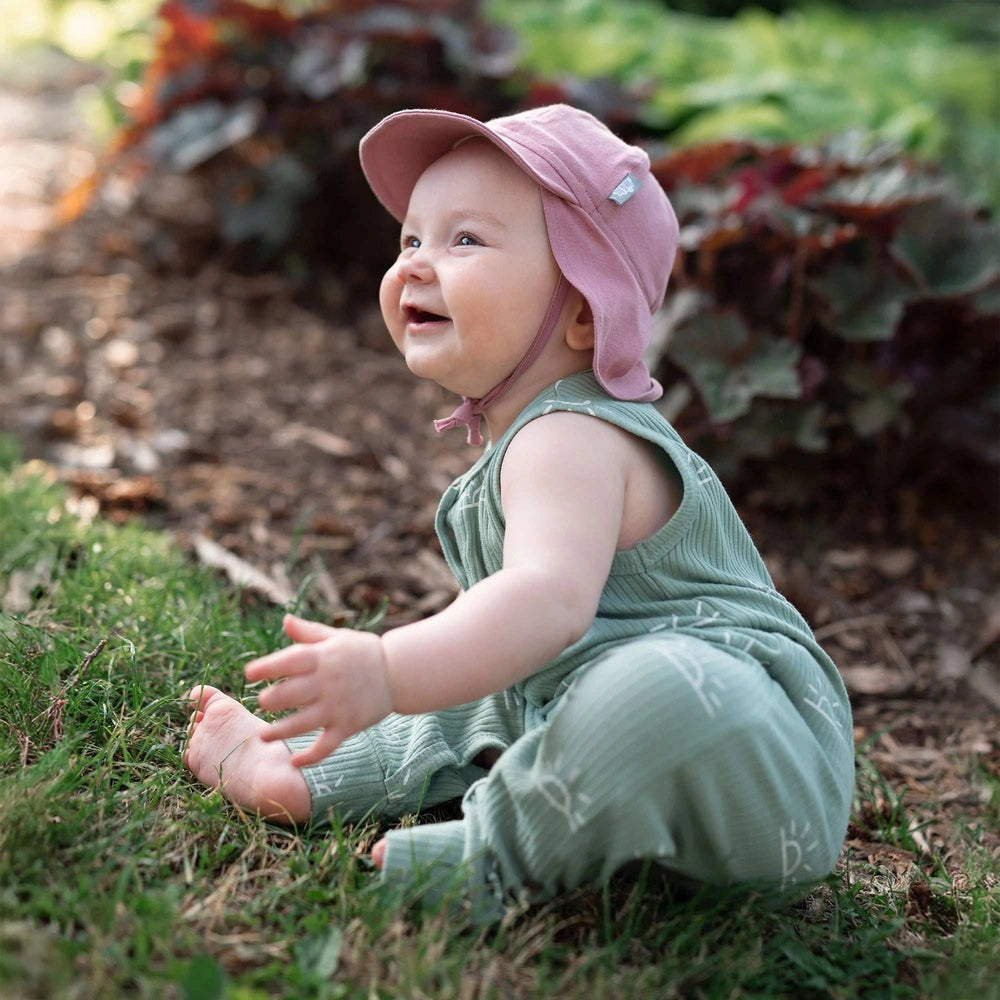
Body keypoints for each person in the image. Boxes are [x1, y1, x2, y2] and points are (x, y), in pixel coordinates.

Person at [184, 104, 854, 921]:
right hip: (616, 725)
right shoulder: (530, 439)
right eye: (411, 240)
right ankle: (298, 771)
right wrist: (417, 676)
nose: (419, 265)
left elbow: (546, 604)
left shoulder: (571, 435)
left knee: (630, 679)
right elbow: (521, 638)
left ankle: (490, 861)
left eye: (465, 240)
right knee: (485, 680)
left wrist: (389, 669)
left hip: (753, 760)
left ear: (582, 309)